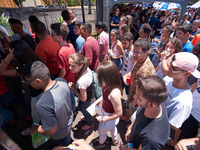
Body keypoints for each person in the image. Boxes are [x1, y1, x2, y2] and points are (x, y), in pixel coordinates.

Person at [23, 61, 73, 146]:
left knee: (65, 145)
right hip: (68, 123)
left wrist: (37, 128)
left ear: (38, 81)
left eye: (29, 82)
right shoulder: (61, 81)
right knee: (69, 141)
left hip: (59, 135)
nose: (29, 84)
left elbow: (51, 130)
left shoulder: (42, 104)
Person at [120, 76, 170, 150]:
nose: (134, 97)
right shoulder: (158, 104)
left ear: (152, 104)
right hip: (133, 141)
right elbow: (139, 116)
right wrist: (131, 127)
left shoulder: (152, 139)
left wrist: (124, 149)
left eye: (138, 98)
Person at [163, 52, 200, 147]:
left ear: (187, 73)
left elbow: (174, 125)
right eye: (169, 65)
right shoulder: (168, 79)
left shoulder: (184, 102)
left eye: (174, 68)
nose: (169, 69)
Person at [121, 38, 156, 122]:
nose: (134, 54)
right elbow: (133, 71)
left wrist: (135, 101)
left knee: (135, 117)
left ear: (146, 52)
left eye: (137, 52)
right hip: (132, 92)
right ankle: (127, 118)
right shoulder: (139, 60)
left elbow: (143, 91)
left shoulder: (145, 70)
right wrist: (127, 75)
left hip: (137, 99)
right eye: (134, 51)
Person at [92, 60, 122, 149]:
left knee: (101, 131)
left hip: (109, 118)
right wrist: (100, 99)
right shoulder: (107, 85)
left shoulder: (114, 93)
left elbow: (119, 113)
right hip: (109, 116)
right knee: (113, 128)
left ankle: (101, 143)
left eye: (100, 76)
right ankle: (114, 141)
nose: (98, 78)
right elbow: (105, 96)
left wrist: (103, 119)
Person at [68, 53, 96, 130]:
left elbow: (83, 99)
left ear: (81, 65)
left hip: (87, 101)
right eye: (69, 65)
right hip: (91, 95)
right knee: (83, 109)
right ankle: (87, 117)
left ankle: (90, 123)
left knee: (86, 111)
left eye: (73, 66)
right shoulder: (86, 69)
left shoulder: (81, 81)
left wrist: (73, 89)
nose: (70, 68)